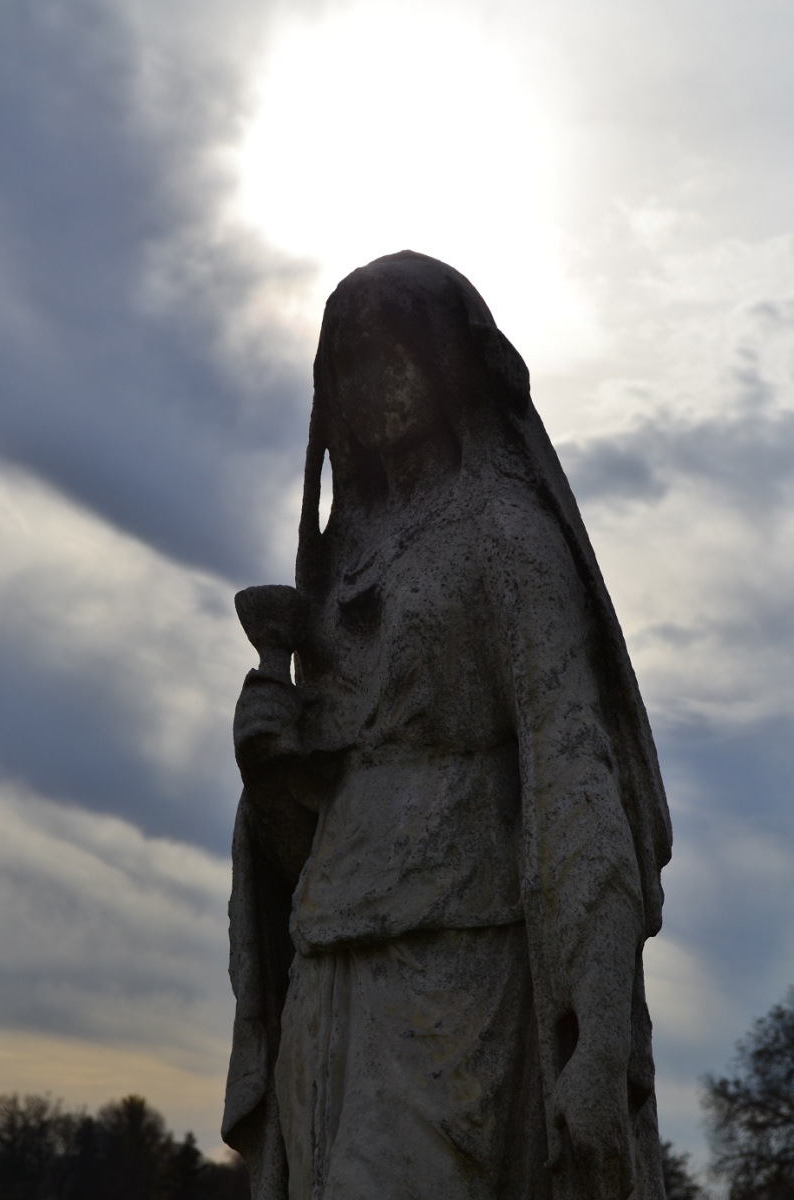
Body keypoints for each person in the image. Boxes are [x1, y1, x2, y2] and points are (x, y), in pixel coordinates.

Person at [222, 251, 672, 1200]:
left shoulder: (504, 533)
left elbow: (571, 766)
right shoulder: (342, 559)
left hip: (459, 973)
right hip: (328, 970)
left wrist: (596, 1033)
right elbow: (313, 828)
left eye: (387, 356)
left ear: (447, 366)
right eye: (343, 365)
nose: (363, 386)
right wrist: (273, 772)